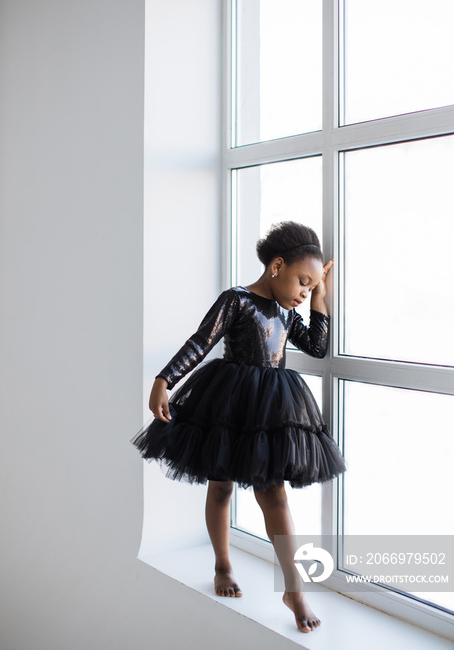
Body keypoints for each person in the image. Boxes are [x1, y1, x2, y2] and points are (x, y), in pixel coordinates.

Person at [131, 221, 346, 633]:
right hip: (229, 400)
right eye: (303, 281)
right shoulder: (238, 300)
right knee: (222, 484)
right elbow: (201, 341)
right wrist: (164, 379)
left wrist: (320, 297)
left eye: (311, 287)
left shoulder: (289, 311)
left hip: (271, 409)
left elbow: (317, 348)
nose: (304, 292)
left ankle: (293, 588)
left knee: (275, 496)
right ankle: (223, 564)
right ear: (277, 266)